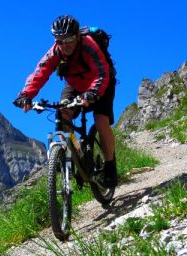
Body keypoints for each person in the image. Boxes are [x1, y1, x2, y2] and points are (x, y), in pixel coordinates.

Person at [13, 15, 118, 188]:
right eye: (59, 40)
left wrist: (92, 93)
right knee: (63, 113)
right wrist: (26, 95)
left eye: (68, 39)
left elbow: (102, 72)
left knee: (101, 121)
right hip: (75, 85)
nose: (64, 45)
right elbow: (40, 72)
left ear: (77, 35)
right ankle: (76, 153)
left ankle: (109, 166)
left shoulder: (89, 46)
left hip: (101, 84)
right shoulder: (56, 50)